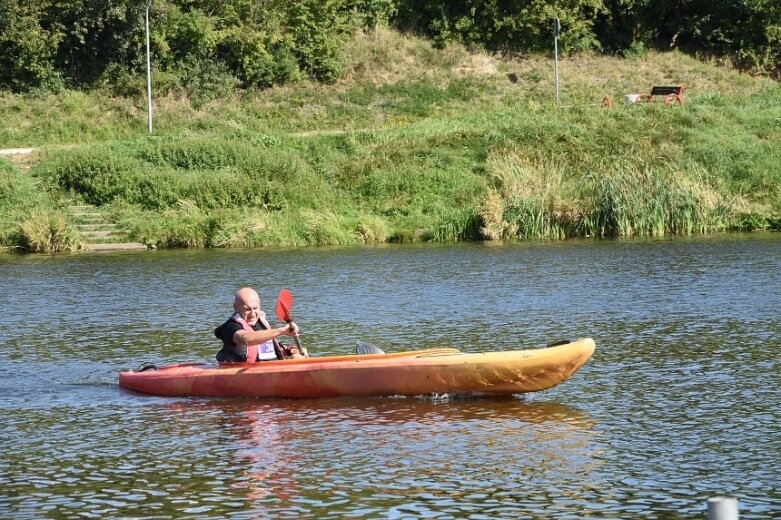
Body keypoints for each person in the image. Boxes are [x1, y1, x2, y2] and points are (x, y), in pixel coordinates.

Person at [215, 287, 304, 363]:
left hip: (271, 369)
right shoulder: (231, 327)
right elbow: (246, 339)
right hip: (244, 374)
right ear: (236, 307)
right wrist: (281, 331)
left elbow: (266, 351)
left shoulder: (261, 322)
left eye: (255, 308)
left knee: (297, 358)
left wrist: (289, 351)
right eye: (247, 309)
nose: (253, 314)